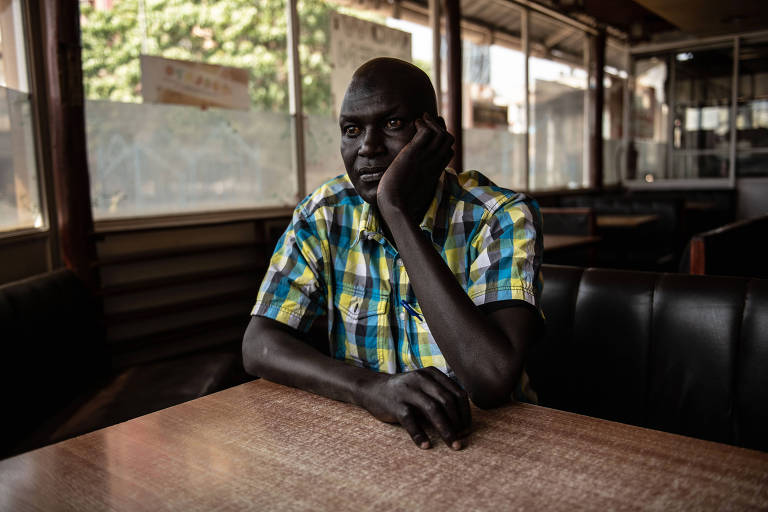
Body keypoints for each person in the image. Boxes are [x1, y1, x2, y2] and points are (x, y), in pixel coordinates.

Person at [243, 57, 543, 451]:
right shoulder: (324, 213)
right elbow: (259, 344)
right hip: (374, 439)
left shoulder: (500, 217)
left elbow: (490, 380)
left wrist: (395, 211)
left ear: (433, 134)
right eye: (352, 130)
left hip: (495, 441)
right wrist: (370, 389)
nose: (367, 147)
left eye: (392, 124)